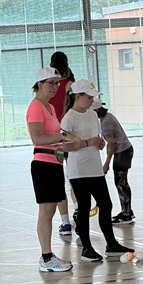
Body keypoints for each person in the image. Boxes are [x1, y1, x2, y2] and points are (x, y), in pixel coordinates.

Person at [61, 80, 134, 261]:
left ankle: (111, 244)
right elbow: (64, 146)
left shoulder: (93, 115)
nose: (92, 101)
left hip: (95, 167)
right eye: (88, 97)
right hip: (79, 170)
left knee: (106, 204)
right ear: (77, 96)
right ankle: (86, 248)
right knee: (84, 207)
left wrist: (99, 143)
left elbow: (95, 138)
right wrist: (88, 142)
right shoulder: (69, 118)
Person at [26, 67, 80, 272]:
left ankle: (48, 256)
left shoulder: (49, 107)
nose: (55, 87)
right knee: (46, 211)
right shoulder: (35, 107)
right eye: (51, 83)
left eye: (57, 83)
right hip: (43, 164)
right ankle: (46, 257)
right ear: (40, 84)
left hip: (55, 162)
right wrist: (63, 136)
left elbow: (56, 137)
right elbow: (38, 138)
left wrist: (71, 140)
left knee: (50, 210)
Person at [93, 98, 135, 224]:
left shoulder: (105, 122)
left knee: (121, 182)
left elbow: (111, 144)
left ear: (96, 110)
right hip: (125, 150)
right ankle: (127, 211)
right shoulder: (107, 117)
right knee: (121, 182)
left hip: (123, 152)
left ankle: (126, 214)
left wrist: (106, 164)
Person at [49, 51, 76, 237]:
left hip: (54, 137)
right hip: (68, 133)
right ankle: (78, 211)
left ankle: (66, 223)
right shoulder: (69, 84)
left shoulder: (48, 87)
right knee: (74, 175)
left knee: (59, 179)